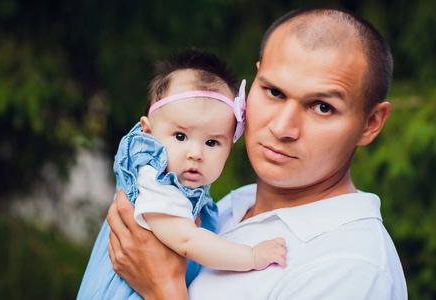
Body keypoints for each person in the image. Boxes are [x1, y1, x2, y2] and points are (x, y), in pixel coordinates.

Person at [107, 7, 408, 299]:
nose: (282, 127)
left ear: (371, 123)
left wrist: (164, 291)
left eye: (323, 107)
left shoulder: (353, 269)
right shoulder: (226, 205)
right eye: (274, 92)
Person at [77, 49, 287, 299]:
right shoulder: (155, 183)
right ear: (147, 132)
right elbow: (187, 241)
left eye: (212, 143)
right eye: (180, 136)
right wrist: (251, 256)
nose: (196, 153)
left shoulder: (181, 187)